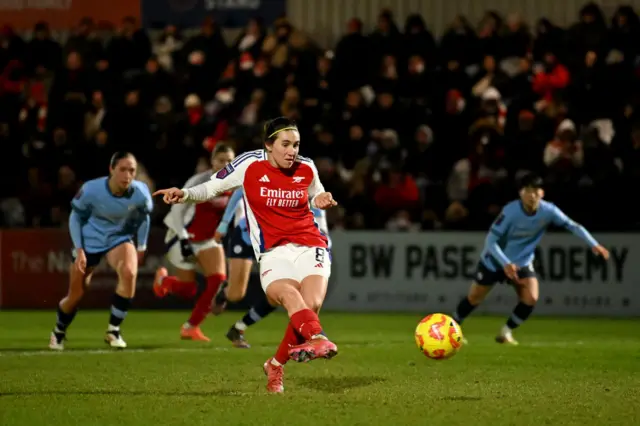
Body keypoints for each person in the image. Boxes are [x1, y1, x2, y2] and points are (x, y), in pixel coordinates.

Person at [154, 117, 338, 394]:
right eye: (285, 144)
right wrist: (183, 194)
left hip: (311, 244)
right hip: (272, 252)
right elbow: (212, 187)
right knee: (289, 297)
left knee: (309, 306)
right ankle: (313, 341)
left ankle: (278, 363)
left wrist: (320, 198)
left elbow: (315, 193)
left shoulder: (306, 166)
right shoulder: (249, 163)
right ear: (268, 145)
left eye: (296, 145)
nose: (292, 151)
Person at [451, 173, 610, 345]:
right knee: (474, 298)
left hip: (522, 263)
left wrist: (594, 244)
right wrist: (505, 263)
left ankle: (505, 332)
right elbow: (490, 241)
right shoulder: (510, 212)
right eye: (528, 190)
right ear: (521, 193)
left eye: (536, 190)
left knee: (531, 298)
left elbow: (573, 225)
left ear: (542, 193)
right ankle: (452, 329)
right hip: (495, 261)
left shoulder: (548, 211)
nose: (532, 195)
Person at [49, 152, 153, 350]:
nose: (127, 175)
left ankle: (113, 330)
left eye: (132, 171)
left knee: (129, 272)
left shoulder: (140, 192)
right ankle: (59, 331)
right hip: (90, 242)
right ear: (111, 169)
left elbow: (144, 217)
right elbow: (75, 217)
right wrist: (79, 249)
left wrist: (142, 246)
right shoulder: (91, 189)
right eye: (122, 169)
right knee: (76, 295)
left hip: (119, 239)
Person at [211, 191, 332, 349]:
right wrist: (224, 224)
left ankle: (239, 329)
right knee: (235, 294)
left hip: (275, 244)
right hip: (246, 237)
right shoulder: (270, 180)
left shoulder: (313, 196)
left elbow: (322, 232)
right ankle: (224, 293)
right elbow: (240, 192)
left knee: (279, 295)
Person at [153, 144, 235, 342]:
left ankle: (190, 327)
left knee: (217, 280)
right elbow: (176, 211)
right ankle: (163, 281)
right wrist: (182, 239)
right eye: (221, 160)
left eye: (229, 161)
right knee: (187, 290)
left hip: (208, 240)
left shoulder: (235, 183)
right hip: (183, 236)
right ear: (212, 161)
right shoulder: (200, 180)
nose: (225, 164)